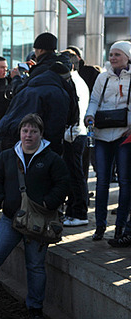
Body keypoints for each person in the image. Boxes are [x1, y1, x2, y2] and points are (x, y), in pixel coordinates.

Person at [0, 114, 70, 319]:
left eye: (33, 131)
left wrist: (47, 203)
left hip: (39, 223)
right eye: (25, 131)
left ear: (41, 134)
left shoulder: (52, 159)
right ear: (20, 133)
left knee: (35, 266)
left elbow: (63, 184)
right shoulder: (6, 157)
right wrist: (1, 202)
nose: (28, 135)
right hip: (10, 218)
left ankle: (35, 309)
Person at [84, 41, 131, 243]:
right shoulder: (103, 77)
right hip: (103, 134)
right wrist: (89, 116)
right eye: (111, 54)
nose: (112, 58)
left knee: (125, 182)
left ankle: (120, 226)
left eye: (117, 54)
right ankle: (100, 226)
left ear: (128, 56)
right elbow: (94, 100)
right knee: (102, 182)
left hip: (125, 135)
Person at [61, 49, 91, 227]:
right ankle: (73, 211)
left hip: (75, 134)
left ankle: (79, 213)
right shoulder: (73, 80)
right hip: (74, 133)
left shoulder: (74, 81)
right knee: (73, 175)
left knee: (76, 176)